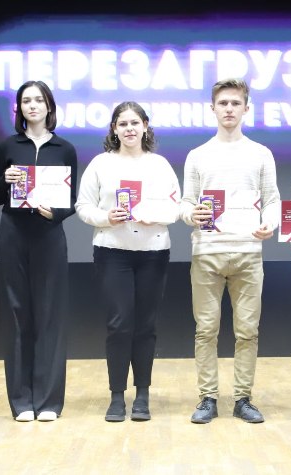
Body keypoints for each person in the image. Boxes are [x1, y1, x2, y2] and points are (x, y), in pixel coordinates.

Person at [181, 78, 280, 424]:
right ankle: (207, 398)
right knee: (205, 330)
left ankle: (242, 398)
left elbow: (272, 200)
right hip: (207, 252)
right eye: (223, 103)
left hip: (248, 252)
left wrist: (270, 222)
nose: (229, 109)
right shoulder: (198, 155)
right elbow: (186, 202)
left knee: (248, 331)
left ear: (246, 108)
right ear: (212, 108)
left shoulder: (261, 153)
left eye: (235, 103)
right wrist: (190, 214)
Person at [75, 101, 180, 422]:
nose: (129, 129)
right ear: (114, 129)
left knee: (146, 325)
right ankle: (117, 396)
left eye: (135, 123)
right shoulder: (100, 164)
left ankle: (143, 394)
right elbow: (83, 206)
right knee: (119, 324)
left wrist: (153, 215)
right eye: (123, 124)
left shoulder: (160, 165)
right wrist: (106, 217)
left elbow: (176, 207)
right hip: (112, 252)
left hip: (153, 252)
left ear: (145, 126)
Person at [0, 80, 78, 422]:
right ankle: (21, 401)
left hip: (50, 236)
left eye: (39, 100)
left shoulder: (65, 149)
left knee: (51, 316)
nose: (33, 105)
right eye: (26, 101)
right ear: (19, 108)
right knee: (16, 314)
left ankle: (49, 401)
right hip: (13, 234)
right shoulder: (8, 146)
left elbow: (72, 201)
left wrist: (57, 213)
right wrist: (4, 182)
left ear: (49, 106)